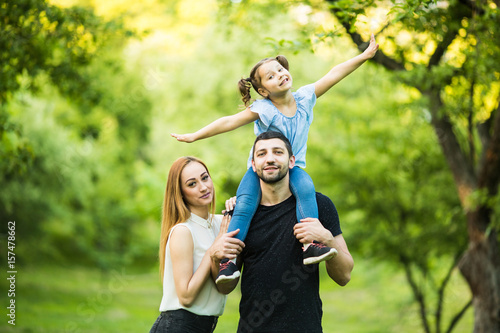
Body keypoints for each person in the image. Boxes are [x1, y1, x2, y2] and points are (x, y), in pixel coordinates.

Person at [171, 34, 378, 283]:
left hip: (294, 167)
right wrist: (195, 135)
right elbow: (229, 121)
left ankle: (311, 245)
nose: (280, 75)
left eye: (280, 70)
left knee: (306, 190)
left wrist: (365, 56)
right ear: (262, 90)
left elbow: (334, 74)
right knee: (245, 205)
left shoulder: (305, 98)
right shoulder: (265, 109)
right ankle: (229, 262)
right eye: (271, 76)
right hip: (259, 171)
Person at [218, 131, 354, 333]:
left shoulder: (319, 206)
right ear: (253, 165)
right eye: (262, 153)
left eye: (278, 152)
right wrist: (217, 254)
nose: (270, 158)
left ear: (291, 161)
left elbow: (344, 276)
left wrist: (327, 239)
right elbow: (225, 287)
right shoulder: (240, 215)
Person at [150, 156, 245, 333]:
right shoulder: (183, 231)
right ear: (180, 192)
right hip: (177, 326)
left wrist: (241, 208)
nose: (203, 187)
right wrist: (212, 251)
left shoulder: (221, 224)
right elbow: (186, 297)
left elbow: (222, 286)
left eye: (205, 177)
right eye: (191, 184)